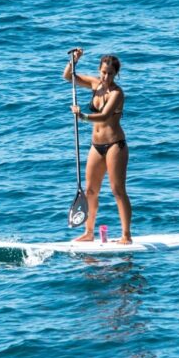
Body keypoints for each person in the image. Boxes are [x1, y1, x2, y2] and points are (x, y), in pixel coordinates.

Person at [64, 48, 130, 243]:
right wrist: (74, 60)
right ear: (99, 70)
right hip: (96, 146)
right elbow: (69, 77)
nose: (106, 76)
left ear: (116, 73)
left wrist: (82, 115)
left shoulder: (117, 93)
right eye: (103, 72)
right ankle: (89, 232)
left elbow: (104, 115)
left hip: (115, 146)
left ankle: (126, 235)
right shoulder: (94, 84)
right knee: (91, 191)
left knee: (118, 191)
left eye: (110, 73)